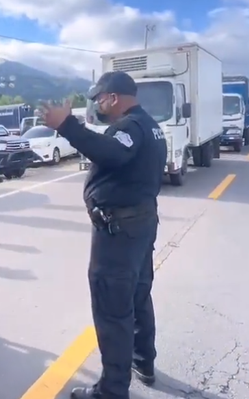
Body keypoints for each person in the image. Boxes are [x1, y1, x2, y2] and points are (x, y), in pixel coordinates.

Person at [38, 71, 166, 399]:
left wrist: (66, 126)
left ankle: (111, 391)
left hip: (120, 232)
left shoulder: (130, 128)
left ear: (113, 97)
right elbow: (110, 146)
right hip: (138, 226)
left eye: (99, 98)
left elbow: (111, 153)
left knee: (113, 309)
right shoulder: (147, 126)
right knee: (137, 296)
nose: (96, 104)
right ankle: (143, 362)